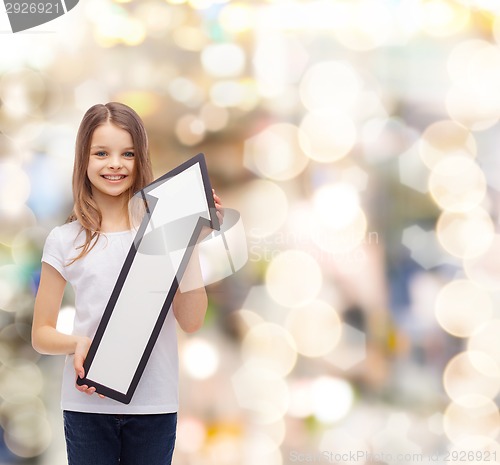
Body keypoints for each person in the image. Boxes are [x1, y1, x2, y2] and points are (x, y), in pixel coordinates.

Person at [31, 102, 223, 465]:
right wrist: (78, 343)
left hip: (154, 404)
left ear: (140, 159)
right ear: (83, 160)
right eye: (101, 153)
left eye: (127, 153)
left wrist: (191, 237)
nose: (115, 163)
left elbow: (192, 320)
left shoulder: (163, 230)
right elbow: (41, 333)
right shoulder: (64, 239)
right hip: (87, 406)